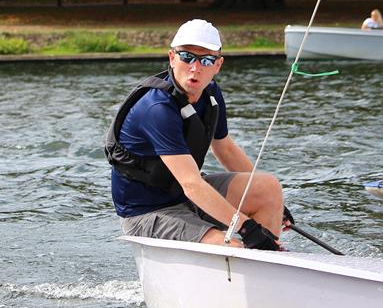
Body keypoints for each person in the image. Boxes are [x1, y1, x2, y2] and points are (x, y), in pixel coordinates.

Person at [106, 19, 286, 251]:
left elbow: (225, 148)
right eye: (187, 57)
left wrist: (278, 209)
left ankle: (270, 263)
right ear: (172, 57)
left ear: (218, 65)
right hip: (148, 213)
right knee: (231, 245)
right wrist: (246, 227)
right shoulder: (157, 109)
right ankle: (247, 260)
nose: (196, 67)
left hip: (187, 197)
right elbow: (191, 184)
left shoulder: (210, 94)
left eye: (207, 60)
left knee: (268, 189)